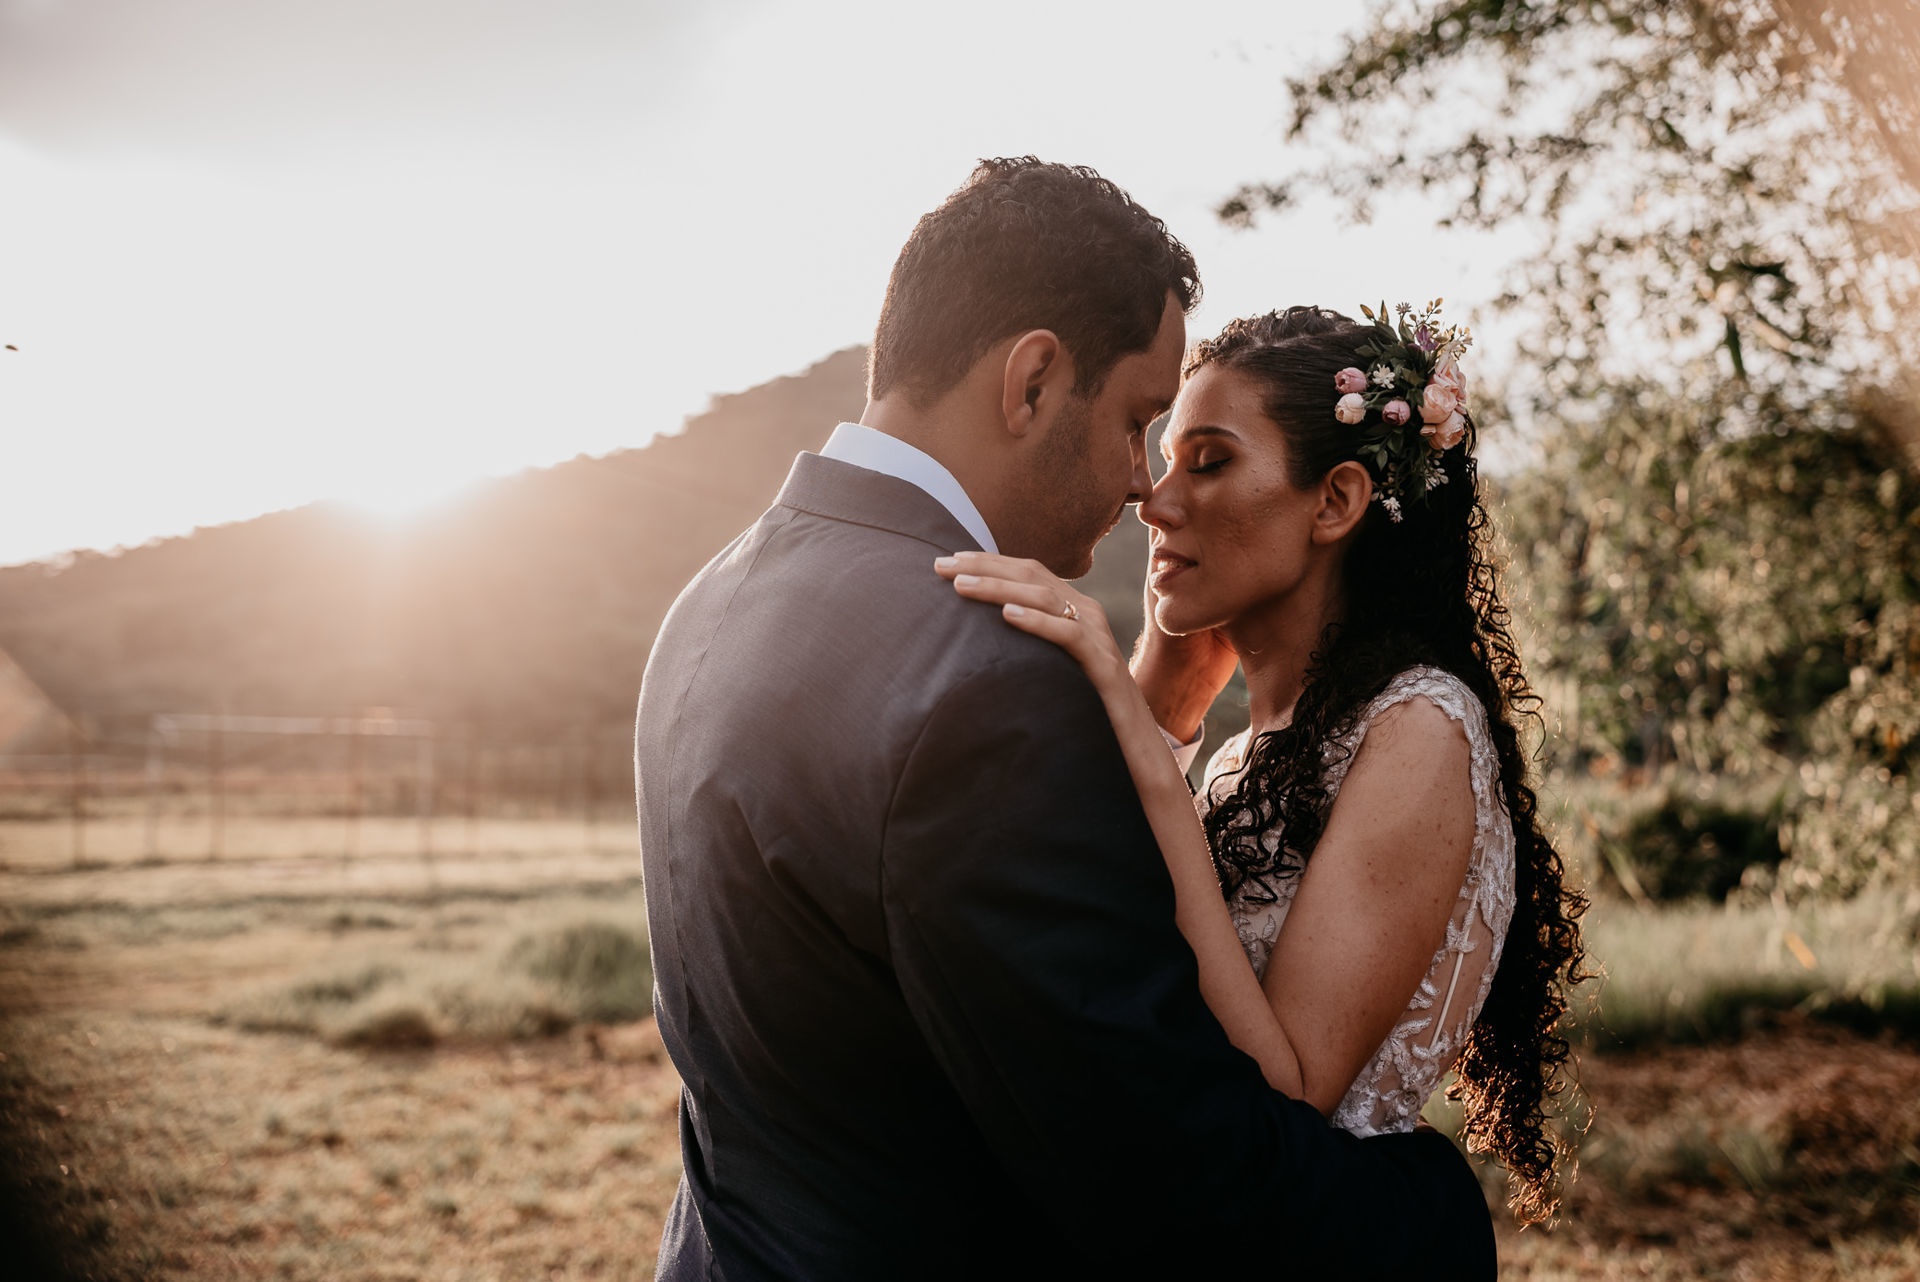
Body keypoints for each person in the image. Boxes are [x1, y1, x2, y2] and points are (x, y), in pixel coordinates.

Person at [635, 158, 1496, 1281]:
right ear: (1034, 381)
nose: (1144, 489)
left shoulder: (711, 603)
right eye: (1140, 424)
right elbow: (1177, 1180)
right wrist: (1432, 1209)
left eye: (1195, 455)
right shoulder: (986, 682)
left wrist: (1151, 709)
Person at [940, 303, 1590, 1228]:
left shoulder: (1418, 730)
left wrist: (1134, 723)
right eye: (1165, 460)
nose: (1154, 503)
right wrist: (1161, 702)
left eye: (1208, 462)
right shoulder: (1242, 756)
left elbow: (1284, 1097)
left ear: (1336, 501)